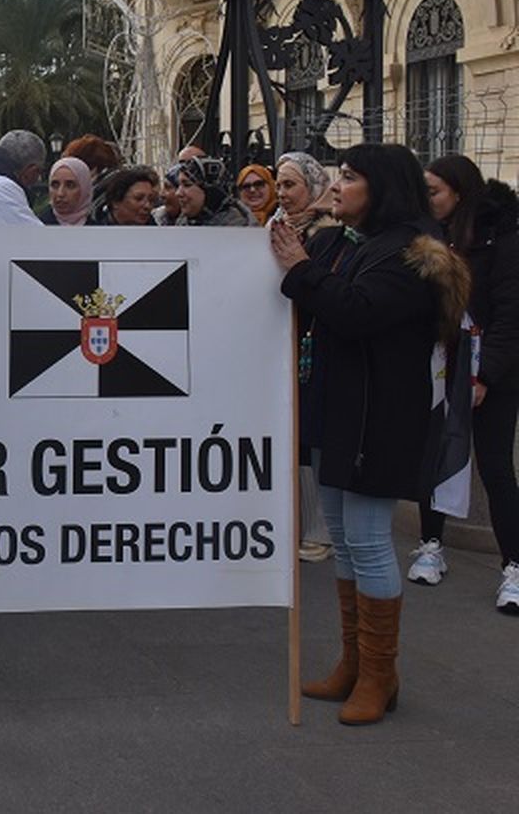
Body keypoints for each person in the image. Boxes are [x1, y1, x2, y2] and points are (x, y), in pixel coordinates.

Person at [271, 142, 469, 725]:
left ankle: (379, 675)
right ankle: (354, 664)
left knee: (368, 537)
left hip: (377, 418)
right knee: (342, 532)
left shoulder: (410, 254)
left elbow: (355, 310)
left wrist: (300, 271)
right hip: (340, 411)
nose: (338, 186)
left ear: (381, 187)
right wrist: (304, 248)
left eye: (350, 177)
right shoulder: (352, 240)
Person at [407, 155, 519, 612]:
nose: (427, 199)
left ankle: (513, 565)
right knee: (432, 458)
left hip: (492, 370)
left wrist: (484, 375)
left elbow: (511, 316)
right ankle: (430, 545)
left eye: (433, 191)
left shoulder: (504, 238)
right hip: (441, 363)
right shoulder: (429, 237)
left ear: (459, 191)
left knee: (495, 467)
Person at [269, 151, 340, 564]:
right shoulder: (275, 228)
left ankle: (320, 530)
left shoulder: (326, 232)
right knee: (291, 437)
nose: (282, 193)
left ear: (313, 186)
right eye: (280, 184)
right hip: (282, 345)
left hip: (312, 346)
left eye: (290, 184)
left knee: (312, 435)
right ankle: (295, 523)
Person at [175, 157, 252, 226]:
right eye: (178, 185)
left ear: (210, 192)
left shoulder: (237, 228)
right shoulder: (183, 222)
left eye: (187, 185)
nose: (178, 193)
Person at [91, 167, 158, 226]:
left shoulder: (157, 233)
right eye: (138, 198)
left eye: (151, 200)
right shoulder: (94, 231)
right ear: (115, 202)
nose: (147, 206)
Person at [39, 157, 93, 226]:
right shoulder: (36, 227)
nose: (60, 193)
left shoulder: (101, 231)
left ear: (84, 190)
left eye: (70, 186)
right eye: (55, 185)